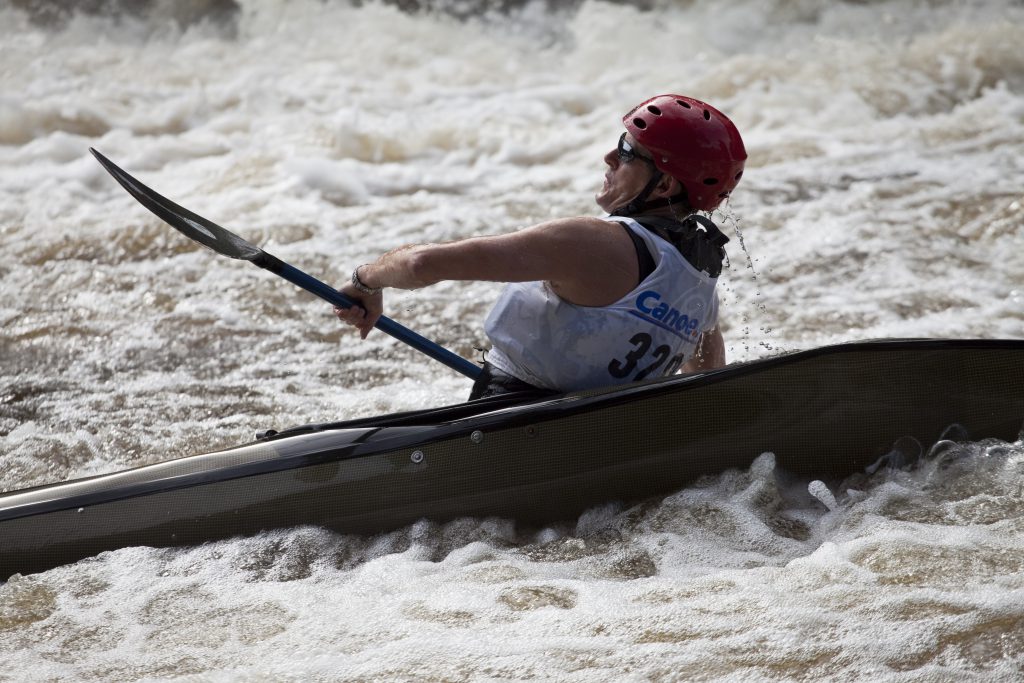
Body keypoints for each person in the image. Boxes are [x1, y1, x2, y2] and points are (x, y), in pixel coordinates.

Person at [335, 94, 747, 400]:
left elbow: (423, 263)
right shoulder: (699, 273)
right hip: (611, 432)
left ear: (666, 185)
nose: (608, 157)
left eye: (626, 152)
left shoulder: (590, 244)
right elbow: (706, 365)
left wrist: (365, 281)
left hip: (510, 421)